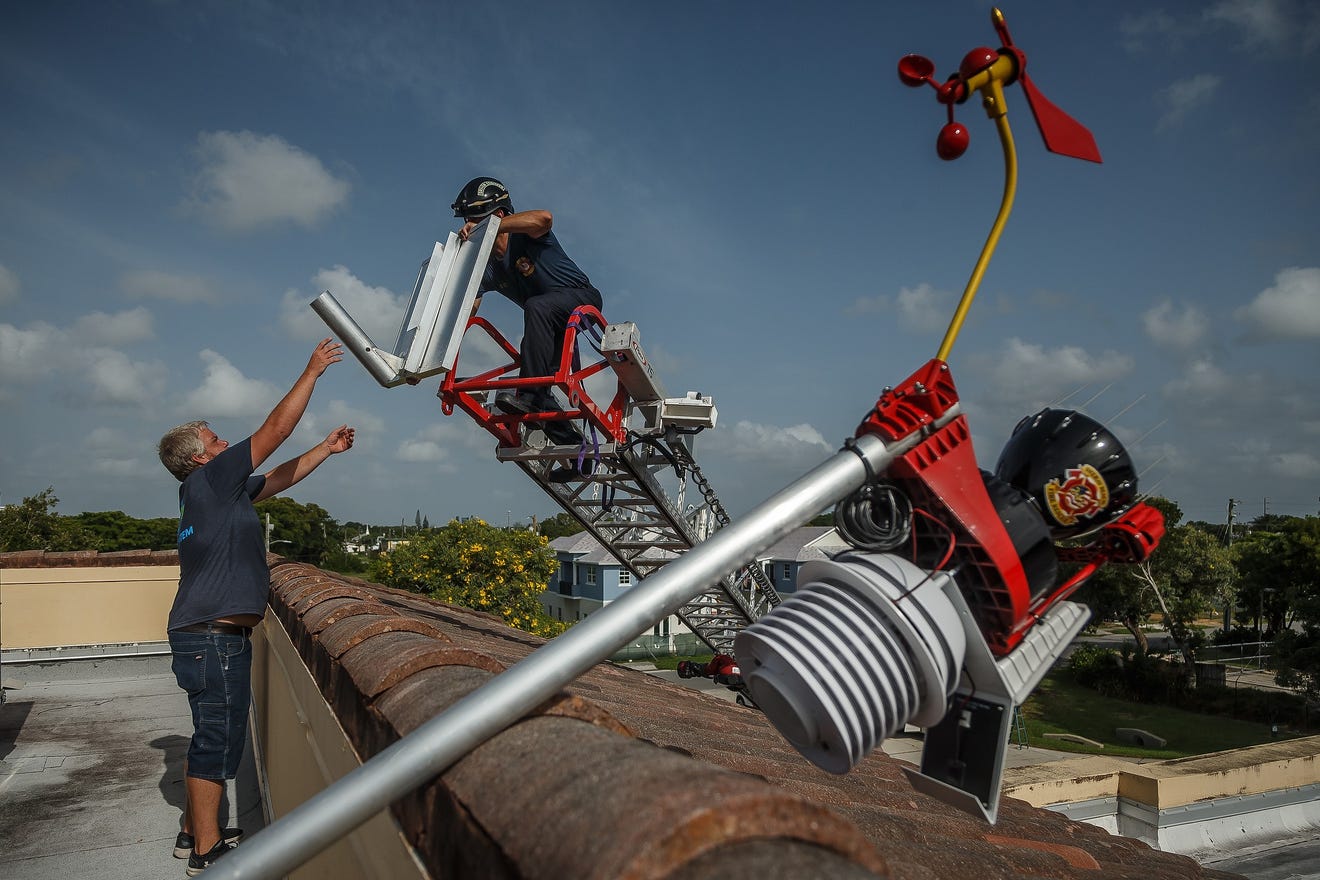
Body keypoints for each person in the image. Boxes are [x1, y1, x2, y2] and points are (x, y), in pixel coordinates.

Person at [156, 338, 355, 875]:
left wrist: (326, 450)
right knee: (217, 741)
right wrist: (312, 371)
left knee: (211, 732)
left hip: (208, 635)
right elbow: (275, 432)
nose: (225, 443)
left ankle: (193, 831)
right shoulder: (208, 479)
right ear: (199, 457)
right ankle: (206, 852)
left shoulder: (216, 491)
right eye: (216, 439)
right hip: (212, 638)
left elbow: (278, 477)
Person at [453, 176, 603, 447]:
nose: (469, 227)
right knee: (535, 375)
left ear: (498, 215)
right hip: (547, 320)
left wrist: (491, 226)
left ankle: (530, 395)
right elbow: (466, 314)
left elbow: (544, 218)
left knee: (536, 315)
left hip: (582, 302)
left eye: (476, 220)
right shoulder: (488, 268)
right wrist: (431, 363)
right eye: (467, 221)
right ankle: (574, 448)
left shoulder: (527, 234)